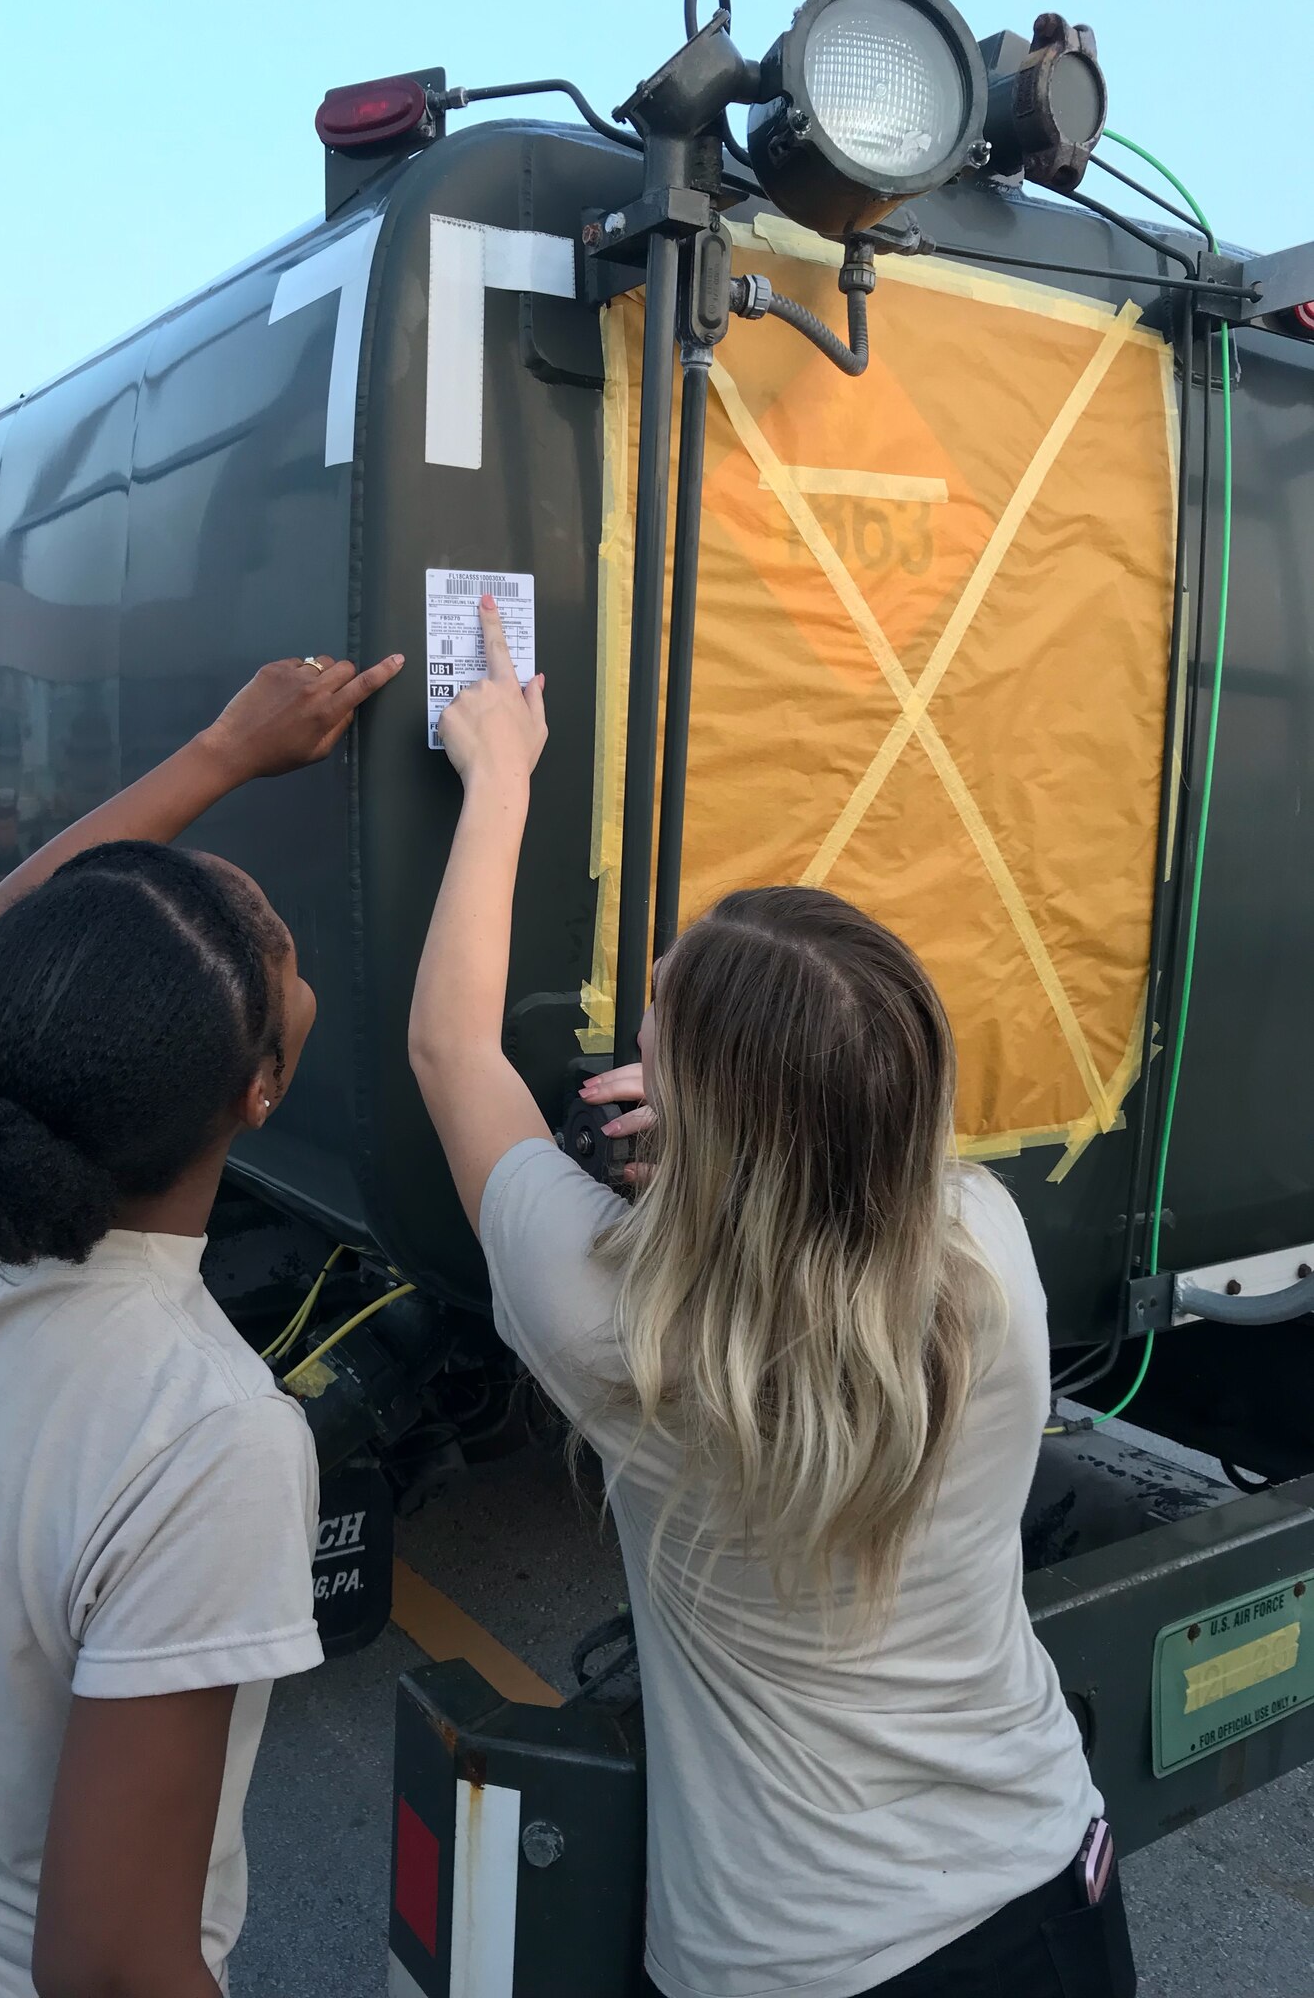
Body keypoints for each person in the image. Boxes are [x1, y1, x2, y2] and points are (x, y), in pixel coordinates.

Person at [408, 600, 1135, 1998]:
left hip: (802, 1963)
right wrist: (724, 1141)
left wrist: (499, 774)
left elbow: (453, 1053)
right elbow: (839, 1184)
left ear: (703, 1127)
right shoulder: (983, 1249)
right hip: (1050, 1883)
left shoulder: (621, 1325)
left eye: (658, 1030)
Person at [0, 647, 402, 1998]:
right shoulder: (205, 1433)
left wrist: (223, 749)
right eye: (282, 954)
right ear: (262, 1089)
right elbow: (111, 1965)